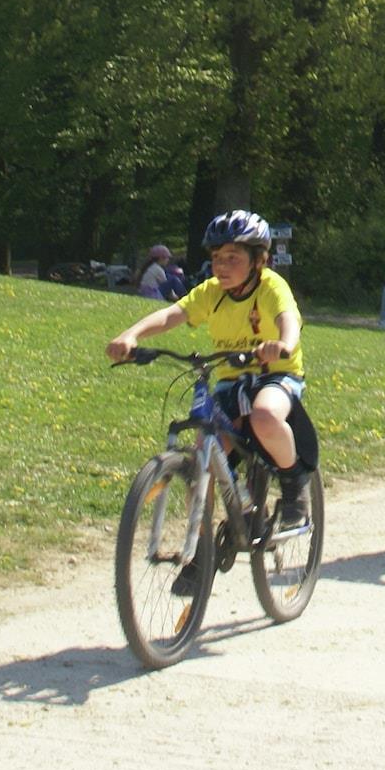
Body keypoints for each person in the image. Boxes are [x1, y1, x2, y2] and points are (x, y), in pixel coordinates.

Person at [105, 210, 313, 583]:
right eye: (217, 257)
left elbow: (288, 320)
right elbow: (172, 314)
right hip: (231, 381)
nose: (222, 265)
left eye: (233, 257)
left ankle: (294, 484)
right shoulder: (212, 292)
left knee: (265, 416)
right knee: (204, 456)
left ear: (258, 260)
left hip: (276, 374)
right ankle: (201, 549)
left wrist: (282, 344)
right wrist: (131, 335)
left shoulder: (270, 287)